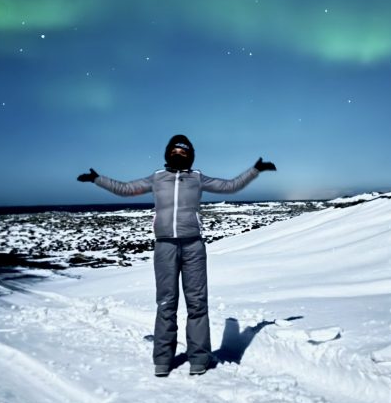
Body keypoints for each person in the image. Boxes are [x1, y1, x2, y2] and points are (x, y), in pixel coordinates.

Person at [77, 134, 276, 377]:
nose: (178, 154)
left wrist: (255, 170)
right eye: (175, 151)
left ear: (190, 155)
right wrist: (98, 179)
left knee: (197, 303)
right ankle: (162, 360)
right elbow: (126, 189)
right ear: (168, 153)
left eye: (183, 151)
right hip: (164, 247)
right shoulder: (157, 178)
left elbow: (230, 186)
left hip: (194, 246)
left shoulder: (198, 178)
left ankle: (199, 359)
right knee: (166, 304)